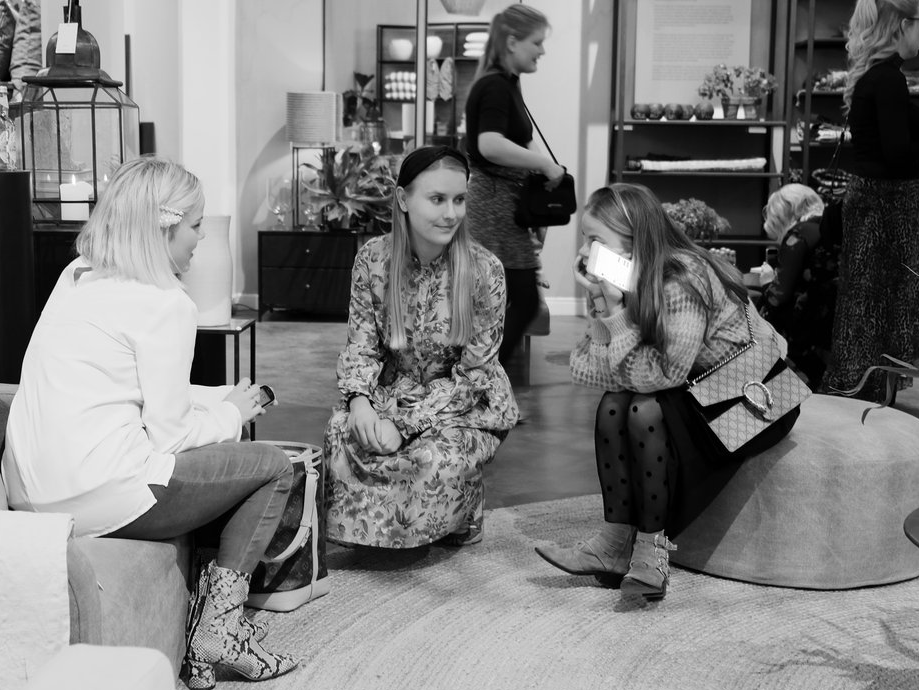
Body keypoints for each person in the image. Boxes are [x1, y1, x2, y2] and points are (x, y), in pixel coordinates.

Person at [1, 155, 299, 690]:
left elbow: (127, 388)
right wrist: (233, 415)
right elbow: (171, 436)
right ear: (164, 227)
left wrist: (218, 400)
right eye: (196, 225)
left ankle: (211, 619)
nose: (201, 238)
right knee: (273, 466)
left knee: (220, 436)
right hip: (102, 495)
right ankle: (219, 632)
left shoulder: (76, 278)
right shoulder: (166, 304)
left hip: (29, 494)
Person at [534, 183, 800, 603]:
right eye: (585, 238)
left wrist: (617, 319)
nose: (583, 252)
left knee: (643, 409)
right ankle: (613, 543)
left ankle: (650, 549)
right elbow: (585, 368)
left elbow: (662, 374)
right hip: (699, 390)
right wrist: (606, 306)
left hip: (752, 399)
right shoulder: (625, 279)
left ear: (633, 240)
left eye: (594, 239)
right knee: (614, 405)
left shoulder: (682, 279)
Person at [323, 146, 519, 549]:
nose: (451, 213)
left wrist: (402, 426)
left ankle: (462, 512)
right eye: (437, 199)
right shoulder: (372, 260)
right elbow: (361, 345)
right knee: (342, 435)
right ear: (402, 199)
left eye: (459, 199)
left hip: (462, 405)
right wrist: (360, 403)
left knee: (432, 459)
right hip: (393, 391)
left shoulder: (486, 272)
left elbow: (474, 379)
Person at [821, 0, 919, 403]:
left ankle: (859, 389)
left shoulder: (880, 76)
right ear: (901, 26)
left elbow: (893, 128)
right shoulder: (888, 80)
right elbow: (898, 153)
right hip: (885, 208)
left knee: (869, 301)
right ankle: (863, 392)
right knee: (882, 303)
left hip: (876, 205)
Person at [464, 4, 566, 373]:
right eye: (537, 42)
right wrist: (543, 165)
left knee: (509, 300)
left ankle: (483, 379)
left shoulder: (505, 83)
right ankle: (484, 380)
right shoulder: (495, 85)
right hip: (493, 209)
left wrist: (541, 175)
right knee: (520, 300)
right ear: (511, 42)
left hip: (502, 208)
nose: (542, 50)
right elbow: (489, 144)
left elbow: (518, 141)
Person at [757, 183, 841, 388]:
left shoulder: (799, 234)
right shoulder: (832, 227)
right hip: (833, 324)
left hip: (803, 330)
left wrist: (766, 282)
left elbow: (779, 296)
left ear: (784, 214)